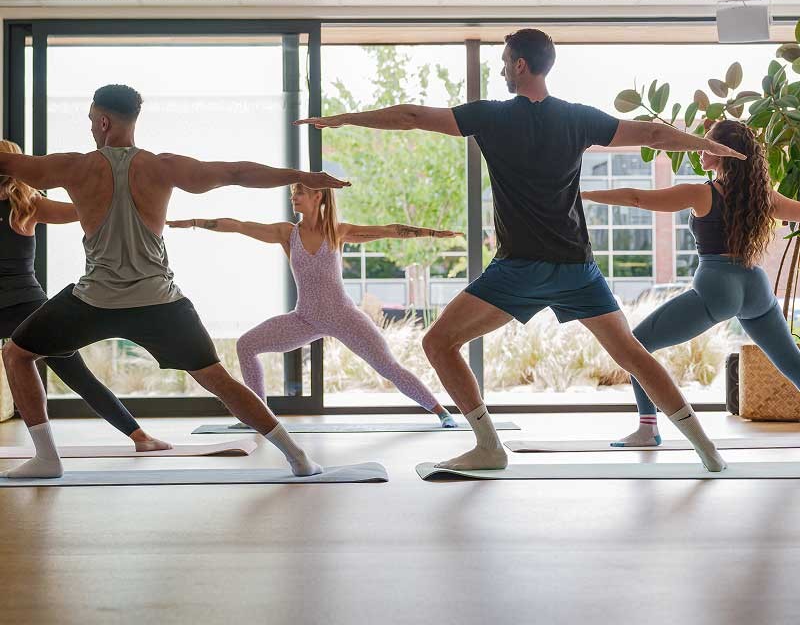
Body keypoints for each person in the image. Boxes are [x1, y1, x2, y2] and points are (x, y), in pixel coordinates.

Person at [296, 28, 745, 472]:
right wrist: (706, 145)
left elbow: (412, 116)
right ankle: (707, 449)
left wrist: (344, 119)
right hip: (576, 268)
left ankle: (489, 445)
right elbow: (652, 134)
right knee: (632, 355)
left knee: (438, 342)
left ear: (521, 65)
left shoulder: (491, 116)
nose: (501, 71)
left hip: (520, 270)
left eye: (505, 62)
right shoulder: (578, 117)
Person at [0, 84, 348, 479]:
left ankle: (47, 459)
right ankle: (298, 457)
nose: (91, 130)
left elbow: (8, 164)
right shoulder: (163, 167)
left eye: (91, 122)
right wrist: (305, 176)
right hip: (160, 302)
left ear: (102, 120)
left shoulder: (73, 167)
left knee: (17, 355)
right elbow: (237, 172)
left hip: (94, 300)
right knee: (218, 379)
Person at [168, 182, 461, 427]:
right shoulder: (287, 233)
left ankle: (441, 412)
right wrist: (195, 223)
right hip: (305, 319)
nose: (293, 197)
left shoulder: (338, 231)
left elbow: (390, 230)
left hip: (344, 316)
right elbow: (239, 226)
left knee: (388, 366)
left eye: (299, 192)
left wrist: (433, 233)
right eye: (292, 192)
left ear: (317, 196)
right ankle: (258, 417)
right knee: (246, 345)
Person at [582, 119, 800, 447]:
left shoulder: (701, 193)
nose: (701, 150)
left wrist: (580, 193)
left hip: (717, 288)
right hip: (756, 288)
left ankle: (648, 428)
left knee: (636, 346)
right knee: (793, 364)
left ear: (724, 153)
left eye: (707, 145)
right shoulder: (761, 196)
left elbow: (636, 198)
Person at [0, 139, 170, 451]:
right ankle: (141, 438)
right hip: (27, 304)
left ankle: (139, 436)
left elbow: (84, 211)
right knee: (77, 375)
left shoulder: (28, 204)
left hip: (26, 306)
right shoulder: (31, 205)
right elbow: (86, 211)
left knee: (76, 374)